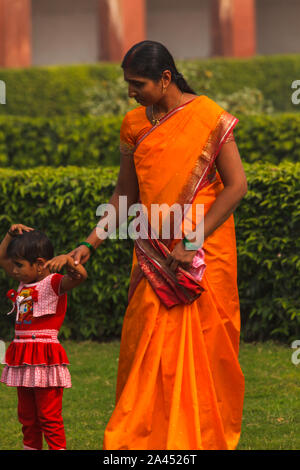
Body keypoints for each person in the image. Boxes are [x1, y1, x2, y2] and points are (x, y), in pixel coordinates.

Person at [70, 41, 247, 450]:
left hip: (202, 253)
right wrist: (89, 243)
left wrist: (192, 240)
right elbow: (124, 196)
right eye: (128, 83)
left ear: (166, 78)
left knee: (206, 347)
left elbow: (236, 187)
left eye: (138, 83)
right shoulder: (135, 124)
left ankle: (199, 438)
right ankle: (142, 440)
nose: (131, 91)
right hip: (154, 255)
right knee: (146, 342)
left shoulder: (208, 117)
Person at [0, 224, 87, 450]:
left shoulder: (54, 283)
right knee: (27, 417)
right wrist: (10, 234)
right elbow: (1, 257)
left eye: (19, 265)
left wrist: (69, 261)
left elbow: (80, 276)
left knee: (49, 416)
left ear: (39, 264)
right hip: (23, 356)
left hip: (44, 358)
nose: (14, 270)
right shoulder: (24, 282)